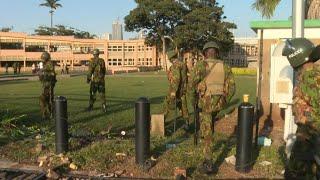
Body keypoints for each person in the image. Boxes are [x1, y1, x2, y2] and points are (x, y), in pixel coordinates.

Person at [190, 41, 235, 174]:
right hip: (219, 103)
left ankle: (208, 162)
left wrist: (194, 102)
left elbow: (192, 86)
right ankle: (206, 141)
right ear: (217, 52)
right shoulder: (225, 67)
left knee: (207, 132)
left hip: (205, 104)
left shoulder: (200, 65)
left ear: (205, 53)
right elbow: (232, 88)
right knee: (209, 127)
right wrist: (224, 101)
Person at [282, 38, 320, 179]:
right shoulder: (312, 73)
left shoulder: (309, 76)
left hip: (310, 135)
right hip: (308, 134)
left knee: (295, 172)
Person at [164, 50, 189, 127]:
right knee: (183, 106)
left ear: (171, 58)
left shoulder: (175, 65)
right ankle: (186, 123)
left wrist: (173, 92)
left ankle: (162, 120)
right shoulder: (183, 64)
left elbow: (176, 79)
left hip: (176, 89)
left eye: (169, 59)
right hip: (183, 89)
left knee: (167, 103)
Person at [39, 52, 57, 120]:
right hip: (46, 84)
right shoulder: (46, 64)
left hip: (48, 84)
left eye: (43, 58)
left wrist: (44, 73)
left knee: (46, 99)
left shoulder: (49, 64)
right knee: (46, 99)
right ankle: (48, 114)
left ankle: (49, 114)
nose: (42, 59)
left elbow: (52, 73)